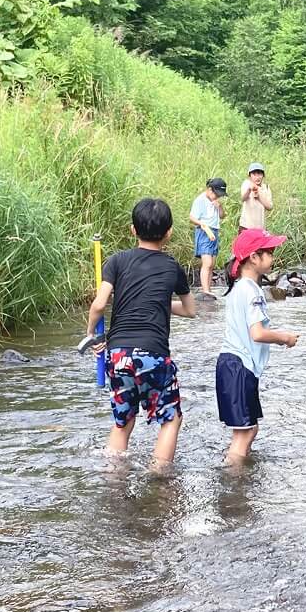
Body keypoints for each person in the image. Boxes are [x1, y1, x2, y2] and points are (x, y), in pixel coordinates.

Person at [88, 197, 197, 467]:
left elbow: (99, 305)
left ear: (132, 230)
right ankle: (159, 476)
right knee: (171, 419)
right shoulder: (173, 267)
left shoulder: (116, 261)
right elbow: (189, 310)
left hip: (118, 353)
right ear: (169, 232)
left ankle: (113, 479)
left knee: (123, 421)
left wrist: (92, 334)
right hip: (154, 353)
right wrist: (158, 303)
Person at [215, 227, 299, 464]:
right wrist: (285, 338)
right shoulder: (251, 291)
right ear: (254, 257)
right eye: (269, 252)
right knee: (244, 433)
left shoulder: (239, 287)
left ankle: (237, 477)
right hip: (239, 367)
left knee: (248, 430)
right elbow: (258, 333)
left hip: (232, 365)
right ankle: (234, 487)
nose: (273, 257)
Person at [190, 178, 228, 297]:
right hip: (204, 231)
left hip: (214, 231)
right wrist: (202, 224)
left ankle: (209, 289)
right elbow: (192, 217)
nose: (217, 197)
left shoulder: (216, 201)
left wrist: (219, 207)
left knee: (212, 264)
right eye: (216, 194)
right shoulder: (200, 200)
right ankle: (205, 290)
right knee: (207, 262)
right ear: (210, 190)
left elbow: (222, 216)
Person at [239, 162, 274, 231]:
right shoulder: (247, 184)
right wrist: (249, 189)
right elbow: (243, 198)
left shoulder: (266, 187)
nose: (257, 177)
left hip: (261, 227)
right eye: (254, 174)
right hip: (246, 226)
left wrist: (259, 197)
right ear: (250, 176)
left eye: (259, 174)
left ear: (263, 175)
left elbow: (270, 207)